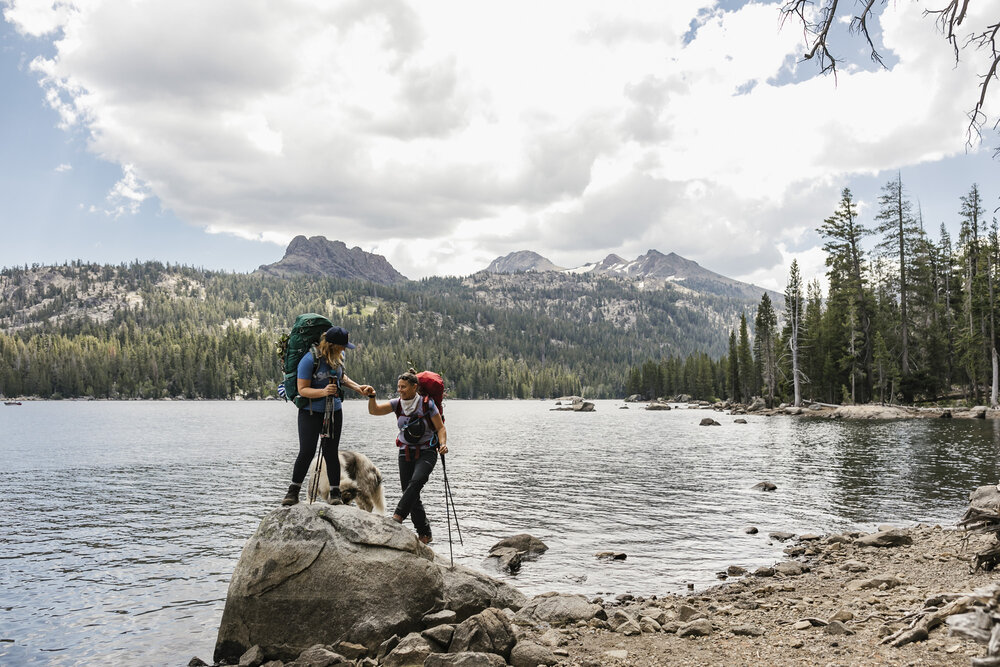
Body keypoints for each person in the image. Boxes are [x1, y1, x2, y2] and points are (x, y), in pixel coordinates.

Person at [281, 326, 373, 506]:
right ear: (331, 345)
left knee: (331, 452)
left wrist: (358, 387)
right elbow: (302, 389)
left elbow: (342, 378)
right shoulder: (310, 360)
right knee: (307, 451)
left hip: (334, 411)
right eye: (342, 346)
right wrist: (323, 392)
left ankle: (335, 494)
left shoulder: (339, 358)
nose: (344, 349)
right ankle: (293, 492)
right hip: (310, 412)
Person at [366, 370, 448, 543]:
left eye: (403, 387)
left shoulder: (427, 404)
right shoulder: (397, 404)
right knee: (410, 492)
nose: (400, 390)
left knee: (416, 482)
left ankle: (398, 516)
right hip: (405, 451)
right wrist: (372, 397)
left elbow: (440, 428)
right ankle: (424, 533)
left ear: (414, 387)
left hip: (428, 450)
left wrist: (443, 444)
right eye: (398, 387)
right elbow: (375, 411)